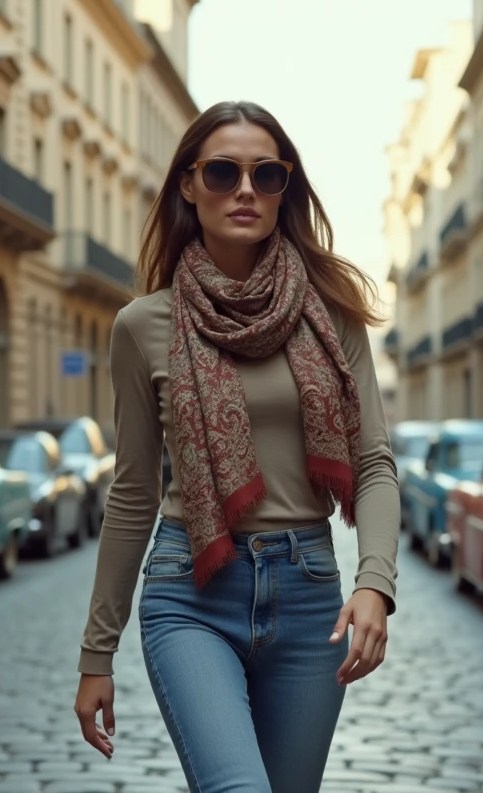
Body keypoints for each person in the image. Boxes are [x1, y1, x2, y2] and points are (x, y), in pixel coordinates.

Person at [73, 100, 400, 793]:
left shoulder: (331, 312)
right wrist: (95, 655)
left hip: (310, 594)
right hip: (191, 591)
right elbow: (132, 492)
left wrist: (375, 584)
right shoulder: (143, 326)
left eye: (266, 175)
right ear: (189, 184)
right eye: (222, 172)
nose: (245, 190)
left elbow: (372, 462)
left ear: (287, 189)